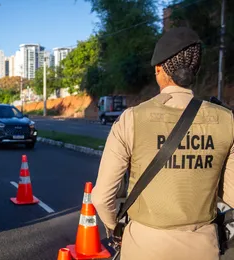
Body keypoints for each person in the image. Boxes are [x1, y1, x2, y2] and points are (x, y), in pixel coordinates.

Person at [91, 27, 234, 260]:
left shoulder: (131, 119)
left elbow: (102, 196)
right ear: (194, 70)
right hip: (202, 248)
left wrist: (114, 228)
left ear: (159, 69)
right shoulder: (226, 120)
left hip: (143, 247)